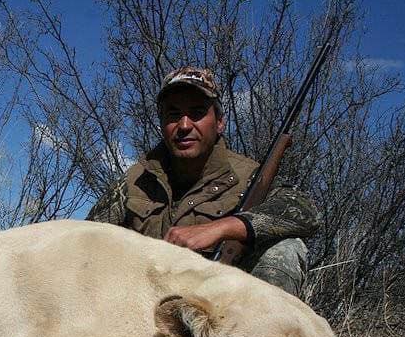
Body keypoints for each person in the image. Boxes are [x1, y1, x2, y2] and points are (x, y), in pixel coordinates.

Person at [86, 67, 319, 297]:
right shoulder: (136, 178)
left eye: (197, 112)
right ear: (162, 123)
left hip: (219, 309)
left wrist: (223, 228)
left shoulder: (248, 176)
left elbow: (305, 211)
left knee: (286, 249)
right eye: (173, 114)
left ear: (219, 122)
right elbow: (87, 236)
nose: (184, 125)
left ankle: (264, 334)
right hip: (140, 305)